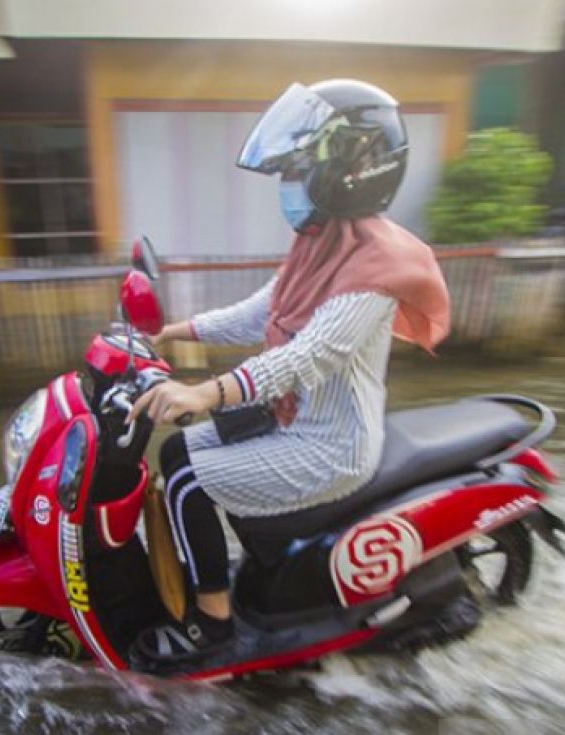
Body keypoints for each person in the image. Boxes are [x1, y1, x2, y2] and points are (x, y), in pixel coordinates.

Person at [127, 79, 451, 664]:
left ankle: (214, 625)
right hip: (292, 420)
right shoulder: (322, 241)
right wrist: (173, 332)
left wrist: (209, 392)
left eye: (297, 172)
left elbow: (308, 357)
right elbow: (260, 313)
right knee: (176, 454)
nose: (288, 187)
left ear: (349, 173)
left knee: (187, 482)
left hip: (330, 444)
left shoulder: (377, 268)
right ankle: (247, 569)